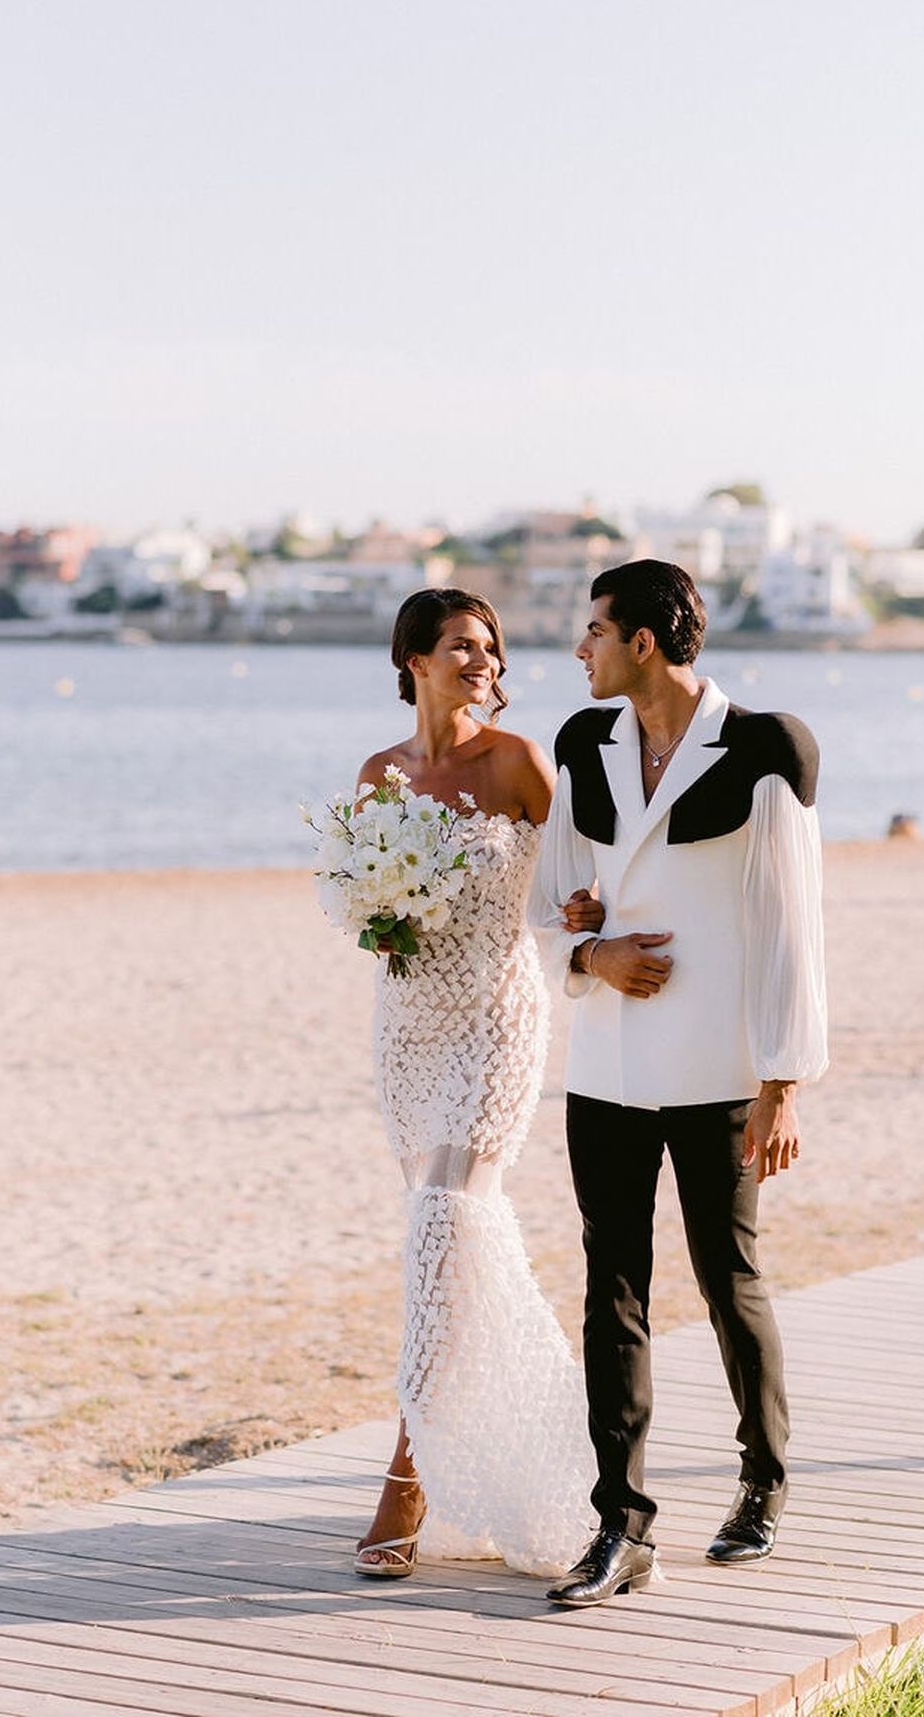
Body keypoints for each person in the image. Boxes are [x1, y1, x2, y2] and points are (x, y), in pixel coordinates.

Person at [527, 559, 829, 1608]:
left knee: (726, 1278)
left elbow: (793, 924)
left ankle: (763, 1482)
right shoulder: (584, 743)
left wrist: (784, 1081)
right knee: (610, 1290)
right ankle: (623, 1525)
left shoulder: (766, 746)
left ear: (642, 643)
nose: (581, 649)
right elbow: (549, 899)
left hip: (718, 1068)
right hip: (608, 1064)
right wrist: (590, 952)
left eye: (595, 630)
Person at [350, 587, 598, 1579]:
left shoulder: (518, 762)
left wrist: (591, 924)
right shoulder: (380, 774)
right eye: (462, 645)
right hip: (407, 1028)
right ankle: (484, 1449)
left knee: (444, 1222)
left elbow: (585, 873)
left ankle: (405, 1479)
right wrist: (379, 915)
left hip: (496, 1019)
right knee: (449, 1248)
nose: (484, 661)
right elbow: (366, 903)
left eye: (490, 647)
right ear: (415, 659)